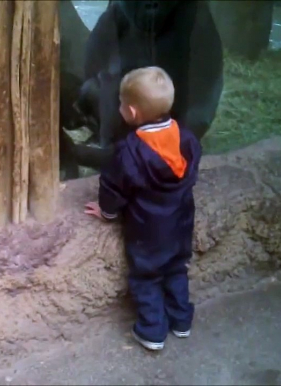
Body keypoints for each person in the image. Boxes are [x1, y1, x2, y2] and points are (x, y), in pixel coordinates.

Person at [84, 66, 202, 351]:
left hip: (148, 230)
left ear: (132, 113)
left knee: (146, 276)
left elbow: (113, 187)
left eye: (121, 104)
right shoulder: (186, 138)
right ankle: (181, 320)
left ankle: (152, 330)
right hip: (182, 222)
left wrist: (107, 212)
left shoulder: (130, 150)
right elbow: (191, 171)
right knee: (176, 268)